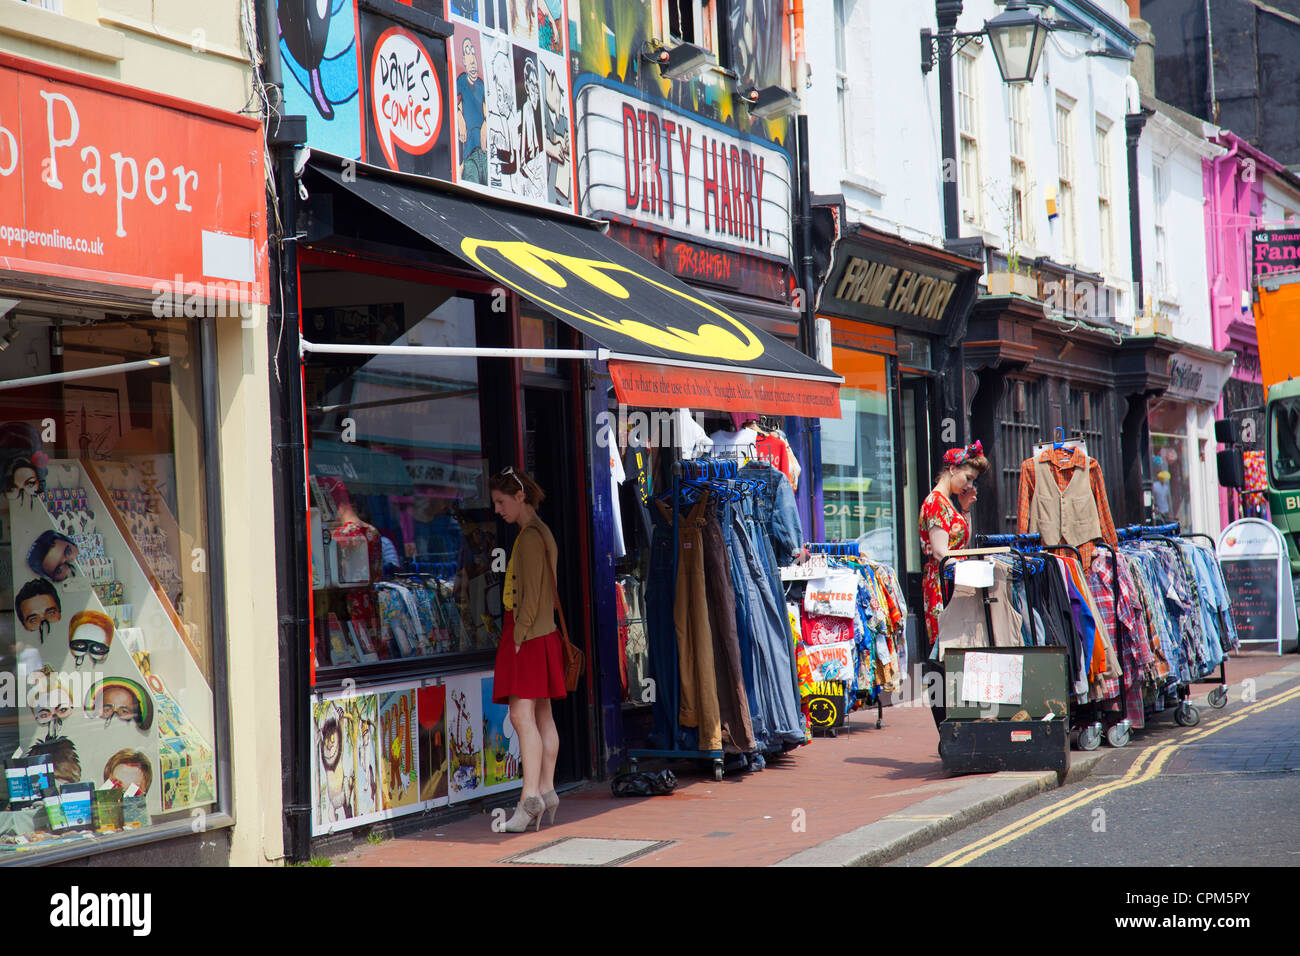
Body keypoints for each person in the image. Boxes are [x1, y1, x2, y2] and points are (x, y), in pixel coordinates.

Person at [489, 466, 565, 832]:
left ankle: (529, 799)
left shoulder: (531, 537)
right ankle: (546, 792)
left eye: (502, 502)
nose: (498, 510)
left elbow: (531, 599)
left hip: (528, 635)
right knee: (542, 716)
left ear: (520, 497)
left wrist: (517, 638)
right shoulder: (541, 533)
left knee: (522, 717)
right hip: (542, 635)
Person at [920, 441, 990, 649]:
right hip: (943, 583)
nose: (969, 485)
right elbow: (941, 552)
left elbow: (957, 546)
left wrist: (965, 508)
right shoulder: (936, 503)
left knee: (958, 645)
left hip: (952, 579)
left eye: (973, 481)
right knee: (950, 646)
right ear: (952, 469)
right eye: (968, 478)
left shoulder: (946, 502)